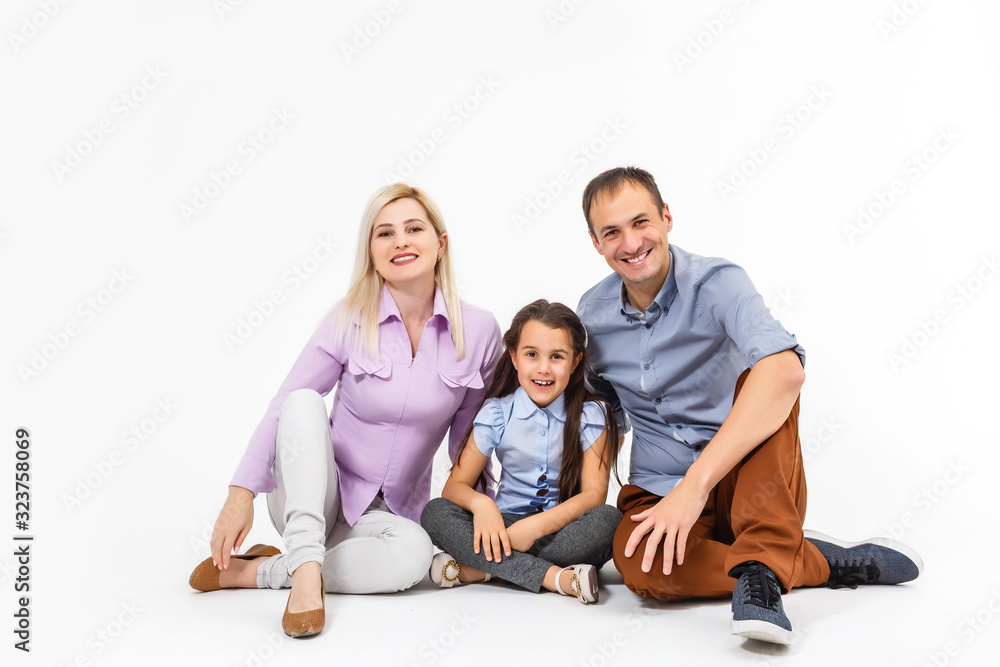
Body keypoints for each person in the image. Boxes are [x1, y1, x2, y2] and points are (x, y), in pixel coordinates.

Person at [575, 167, 923, 644]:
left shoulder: (717, 283)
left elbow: (787, 372)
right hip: (657, 487)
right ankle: (804, 559)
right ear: (596, 243)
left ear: (667, 217)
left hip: (749, 479)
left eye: (641, 222)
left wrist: (695, 488)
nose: (631, 242)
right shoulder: (590, 315)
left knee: (765, 375)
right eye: (611, 232)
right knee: (640, 568)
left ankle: (761, 571)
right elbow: (600, 413)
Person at [188, 184, 501, 638]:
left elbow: (469, 441)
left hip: (387, 518)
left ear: (441, 242)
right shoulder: (348, 317)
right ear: (371, 252)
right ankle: (307, 576)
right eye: (384, 234)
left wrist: (484, 510)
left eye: (414, 229)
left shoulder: (479, 331)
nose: (401, 242)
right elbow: (284, 407)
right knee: (302, 401)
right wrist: (241, 495)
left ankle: (265, 571)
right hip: (312, 495)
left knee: (413, 557)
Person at [420, 300, 622, 603]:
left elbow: (594, 495)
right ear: (514, 357)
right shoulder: (497, 413)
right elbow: (454, 488)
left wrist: (537, 526)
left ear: (576, 361)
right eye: (531, 355)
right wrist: (484, 507)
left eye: (557, 356)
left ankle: (483, 570)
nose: (543, 368)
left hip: (561, 530)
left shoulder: (591, 414)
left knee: (607, 520)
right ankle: (556, 577)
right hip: (502, 528)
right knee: (435, 513)